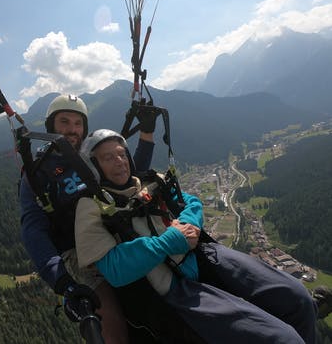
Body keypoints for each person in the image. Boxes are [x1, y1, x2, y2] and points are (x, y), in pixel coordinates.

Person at [74, 129, 318, 344]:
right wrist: (170, 240)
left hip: (202, 254)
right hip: (175, 286)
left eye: (121, 154)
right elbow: (113, 269)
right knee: (282, 339)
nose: (120, 162)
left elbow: (190, 202)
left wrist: (189, 224)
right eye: (108, 158)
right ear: (94, 168)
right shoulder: (91, 206)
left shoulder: (150, 180)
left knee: (299, 300)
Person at [19, 95, 157, 343]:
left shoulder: (90, 155)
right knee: (110, 318)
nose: (72, 130)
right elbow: (33, 231)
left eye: (77, 123)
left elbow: (127, 176)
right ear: (51, 126)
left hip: (115, 231)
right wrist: (63, 281)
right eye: (64, 122)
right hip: (78, 253)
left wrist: (146, 135)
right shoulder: (37, 172)